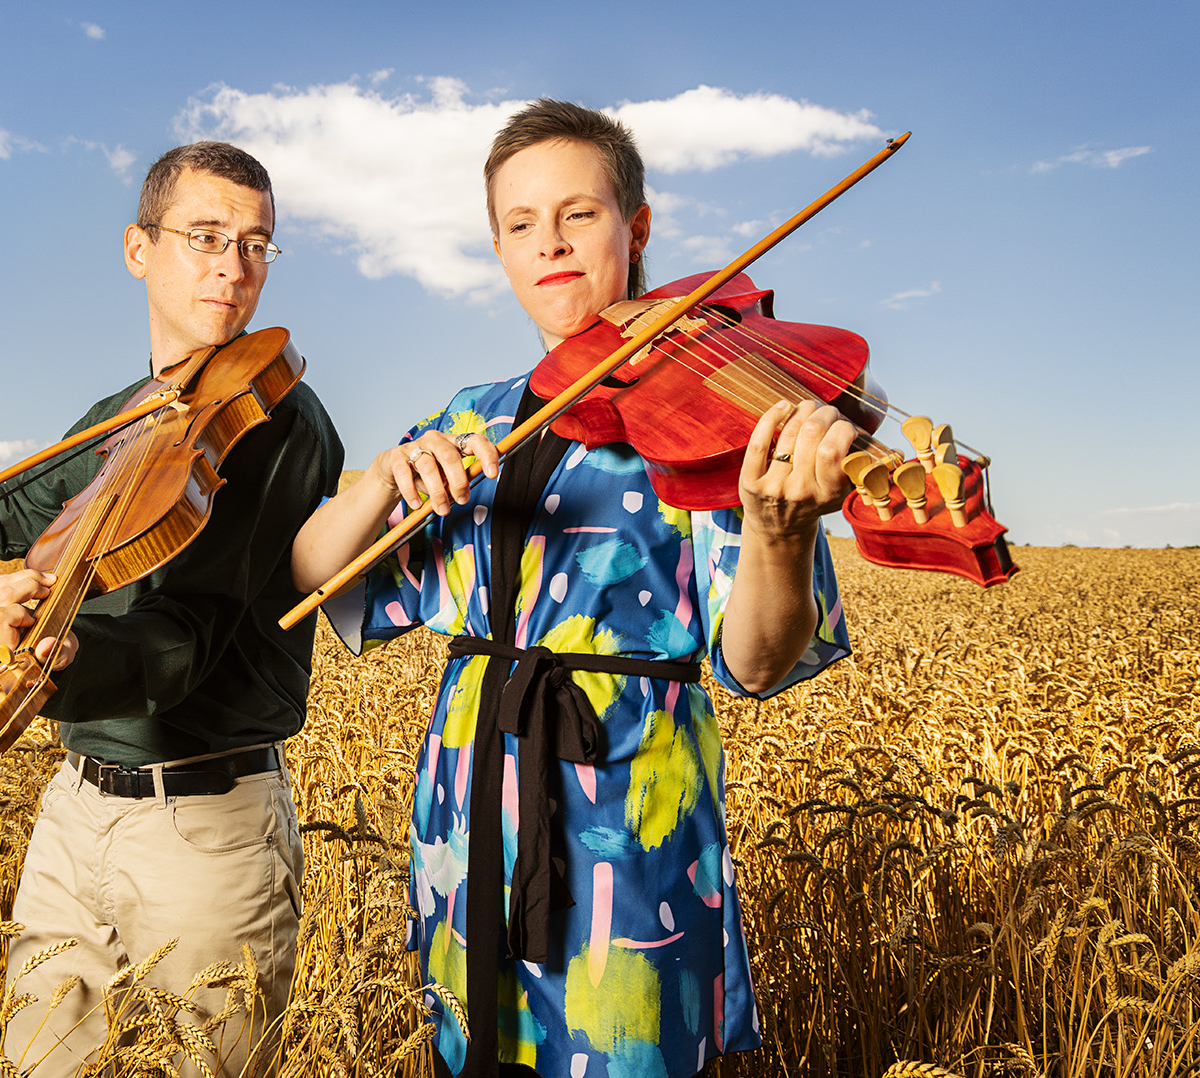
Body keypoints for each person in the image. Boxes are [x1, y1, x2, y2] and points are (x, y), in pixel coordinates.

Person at [290, 100, 855, 1077]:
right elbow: (311, 576)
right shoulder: (472, 414)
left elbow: (758, 662)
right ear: (499, 249)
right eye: (519, 224)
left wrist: (779, 525)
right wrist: (384, 476)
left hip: (626, 814)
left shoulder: (722, 405)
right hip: (467, 815)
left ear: (637, 229)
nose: (547, 243)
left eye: (578, 214)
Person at [0, 141, 344, 1077]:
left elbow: (190, 634)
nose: (233, 266)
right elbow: (20, 504)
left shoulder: (277, 420)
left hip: (206, 827)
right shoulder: (123, 410)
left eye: (257, 245)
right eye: (205, 236)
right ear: (139, 248)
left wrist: (57, 658)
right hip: (75, 808)